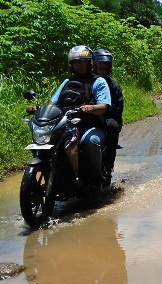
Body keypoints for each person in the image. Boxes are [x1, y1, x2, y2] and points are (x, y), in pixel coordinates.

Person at [50, 45, 111, 187]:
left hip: (90, 125)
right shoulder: (67, 82)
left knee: (89, 142)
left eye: (82, 61)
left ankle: (95, 181)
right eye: (75, 62)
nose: (78, 64)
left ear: (89, 63)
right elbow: (53, 103)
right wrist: (40, 109)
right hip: (67, 124)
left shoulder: (98, 81)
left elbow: (104, 106)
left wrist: (91, 108)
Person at [92, 48, 124, 177]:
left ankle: (108, 164)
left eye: (106, 63)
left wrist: (103, 108)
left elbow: (118, 107)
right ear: (93, 64)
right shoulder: (87, 81)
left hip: (107, 118)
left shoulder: (113, 85)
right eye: (100, 62)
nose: (103, 65)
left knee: (112, 126)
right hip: (86, 116)